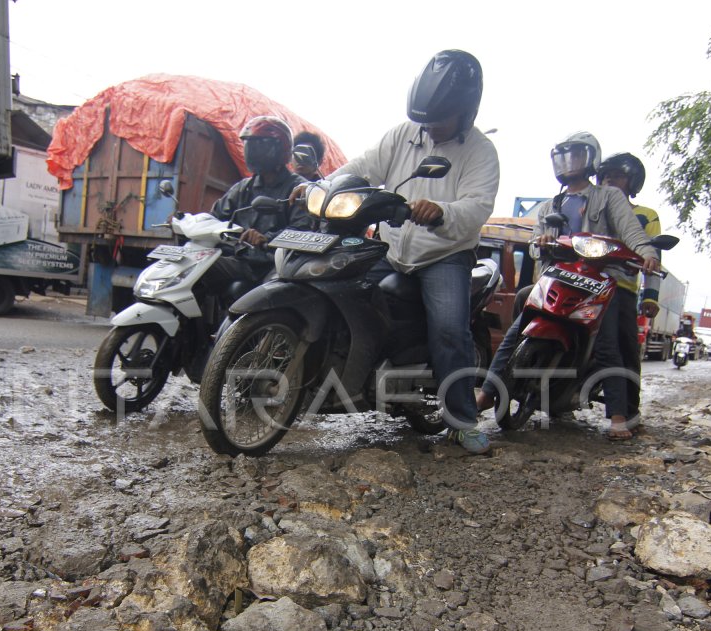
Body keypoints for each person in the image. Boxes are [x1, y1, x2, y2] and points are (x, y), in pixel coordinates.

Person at [311, 49, 500, 454]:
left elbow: (478, 206)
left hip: (444, 255)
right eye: (425, 119)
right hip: (392, 247)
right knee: (340, 288)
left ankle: (462, 421)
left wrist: (441, 211)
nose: (430, 127)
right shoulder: (402, 135)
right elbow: (363, 167)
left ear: (466, 113)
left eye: (440, 120)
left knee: (450, 330)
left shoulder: (481, 152)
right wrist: (322, 186)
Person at [475, 131, 659, 440]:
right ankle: (489, 392)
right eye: (563, 157)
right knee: (518, 326)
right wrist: (542, 241)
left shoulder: (608, 197)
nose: (568, 163)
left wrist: (649, 254)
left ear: (590, 160)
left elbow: (633, 232)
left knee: (609, 343)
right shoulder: (550, 205)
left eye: (576, 156)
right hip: (560, 276)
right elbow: (536, 243)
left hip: (600, 281)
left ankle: (617, 415)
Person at [595, 152, 663, 429]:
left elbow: (654, 255)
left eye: (618, 175)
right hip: (581, 284)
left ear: (632, 181)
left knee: (624, 348)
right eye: (606, 175)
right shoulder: (591, 208)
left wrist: (650, 295)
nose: (610, 180)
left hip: (620, 289)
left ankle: (628, 411)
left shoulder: (645, 216)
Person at [207, 116, 309, 289]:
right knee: (191, 266)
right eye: (250, 146)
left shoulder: (296, 188)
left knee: (208, 268)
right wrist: (187, 222)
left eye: (259, 146)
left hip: (266, 265)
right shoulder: (244, 187)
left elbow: (301, 231)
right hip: (239, 257)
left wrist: (265, 239)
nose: (253, 152)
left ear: (280, 149)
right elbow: (215, 217)